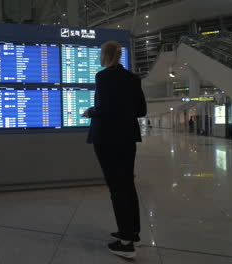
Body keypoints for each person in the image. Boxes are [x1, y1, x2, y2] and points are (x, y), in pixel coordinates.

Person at [83, 41, 147, 259]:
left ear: (105, 55)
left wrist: (90, 112)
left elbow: (103, 109)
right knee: (127, 183)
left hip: (107, 138)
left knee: (116, 188)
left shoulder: (103, 77)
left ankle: (126, 243)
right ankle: (132, 232)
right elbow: (141, 110)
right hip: (128, 137)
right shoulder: (133, 78)